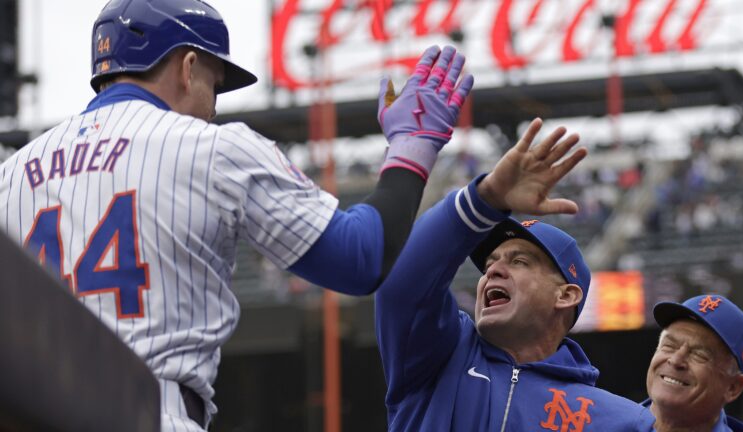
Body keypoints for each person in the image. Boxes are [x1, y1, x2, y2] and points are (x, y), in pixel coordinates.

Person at [0, 0, 473, 430]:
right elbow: (361, 256)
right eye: (214, 83)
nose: (212, 105)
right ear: (188, 68)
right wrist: (410, 152)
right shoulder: (212, 149)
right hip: (152, 411)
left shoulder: (10, 175)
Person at [374, 118, 656, 431]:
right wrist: (486, 198)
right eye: (491, 261)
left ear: (565, 295)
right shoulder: (440, 358)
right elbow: (401, 285)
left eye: (519, 261)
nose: (493, 268)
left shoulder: (624, 422)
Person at [644, 295, 743, 432]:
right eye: (669, 346)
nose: (675, 360)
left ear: (733, 387)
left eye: (699, 354)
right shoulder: (612, 422)